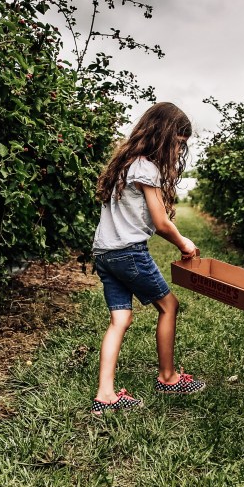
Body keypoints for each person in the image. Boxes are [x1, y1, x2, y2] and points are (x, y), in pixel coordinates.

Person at [89, 102, 206, 414]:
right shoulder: (146, 167)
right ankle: (168, 377)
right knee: (169, 306)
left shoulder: (124, 164)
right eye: (179, 143)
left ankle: (106, 395)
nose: (179, 150)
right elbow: (160, 222)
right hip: (128, 252)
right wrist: (183, 242)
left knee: (120, 319)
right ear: (165, 135)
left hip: (104, 253)